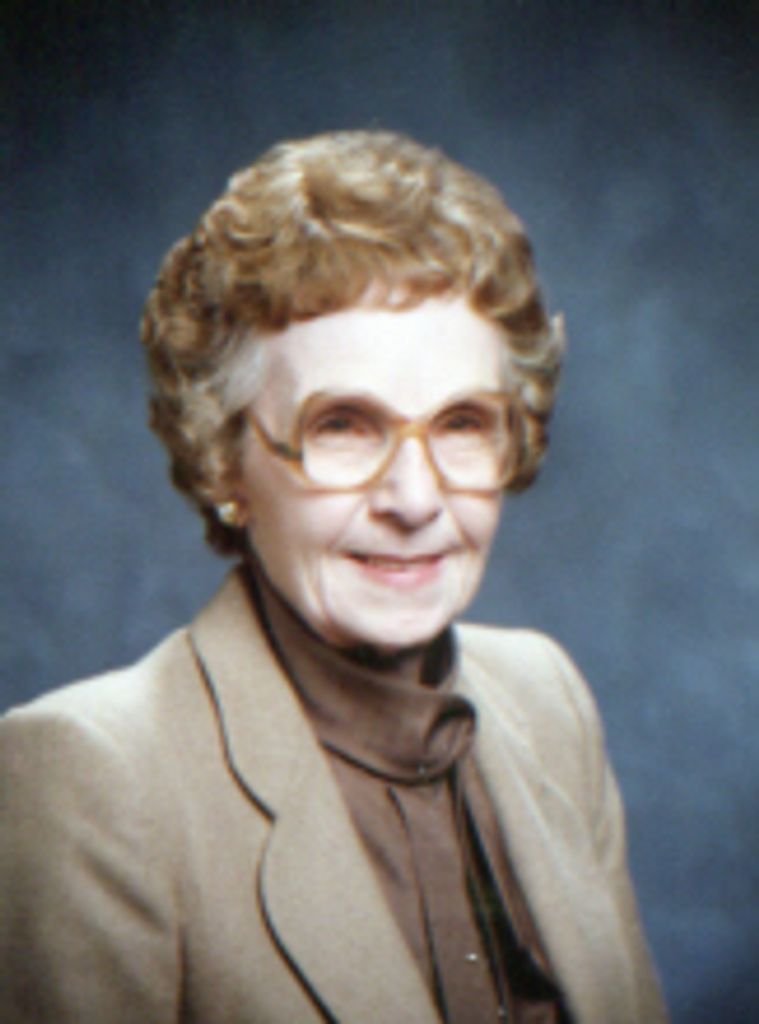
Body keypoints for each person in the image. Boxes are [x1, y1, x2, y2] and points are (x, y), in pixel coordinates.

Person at [0, 130, 668, 1023]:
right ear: (223, 458)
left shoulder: (546, 698)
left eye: (461, 423)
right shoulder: (92, 776)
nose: (414, 499)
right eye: (344, 426)